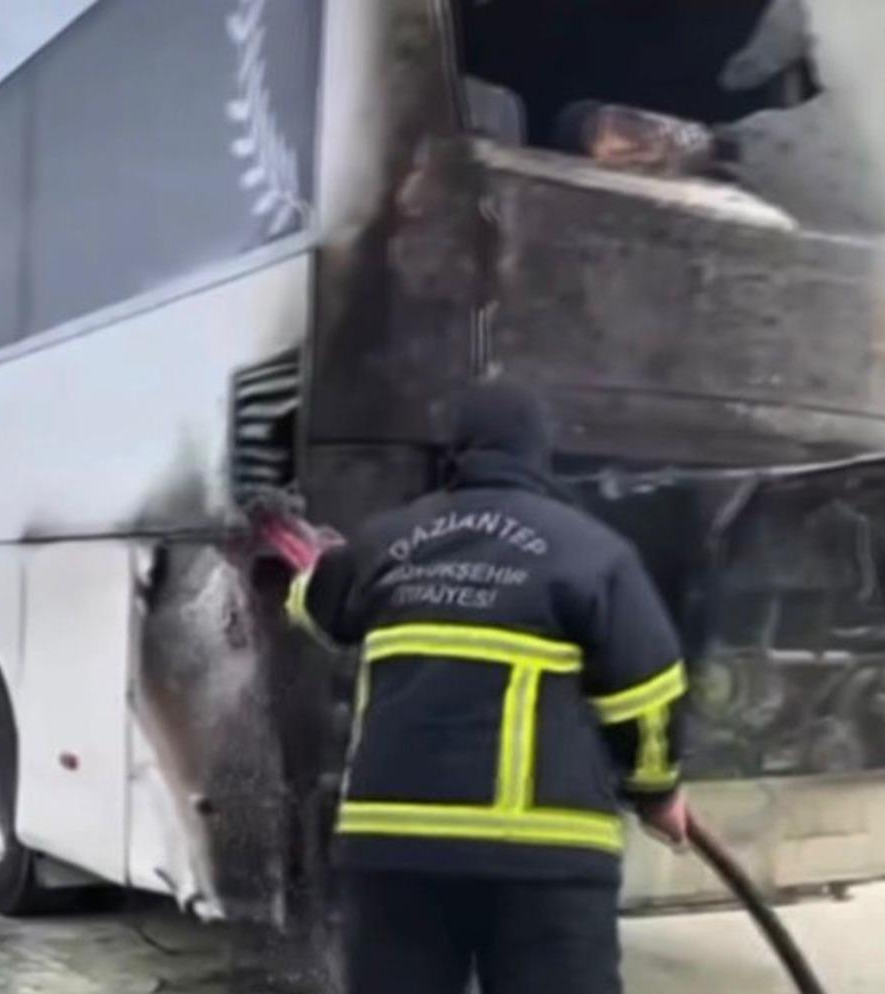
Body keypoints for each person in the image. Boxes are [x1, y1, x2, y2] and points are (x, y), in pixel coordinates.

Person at [285, 382, 689, 994]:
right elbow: (646, 696)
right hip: (545, 863)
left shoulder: (386, 540)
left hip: (395, 854)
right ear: (541, 452)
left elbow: (311, 609)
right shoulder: (594, 553)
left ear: (459, 450)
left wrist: (326, 561)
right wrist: (657, 795)